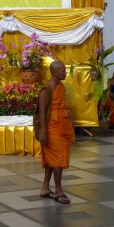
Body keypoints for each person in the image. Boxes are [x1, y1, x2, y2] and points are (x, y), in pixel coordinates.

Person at [37, 60, 75, 204]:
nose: (65, 73)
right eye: (63, 71)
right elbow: (41, 112)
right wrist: (44, 133)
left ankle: (45, 188)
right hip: (52, 128)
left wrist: (67, 113)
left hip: (62, 125)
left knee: (52, 160)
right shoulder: (46, 89)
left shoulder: (61, 86)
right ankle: (58, 190)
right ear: (54, 72)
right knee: (58, 160)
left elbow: (60, 105)